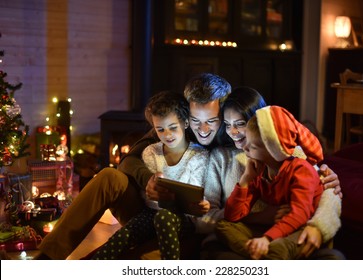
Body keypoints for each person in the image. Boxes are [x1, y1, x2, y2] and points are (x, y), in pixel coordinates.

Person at [36, 73, 340, 260]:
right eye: (196, 121)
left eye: (213, 120)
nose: (204, 130)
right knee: (109, 177)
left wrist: (325, 175)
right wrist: (147, 180)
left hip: (193, 225)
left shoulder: (240, 135)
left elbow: (295, 157)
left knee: (142, 259)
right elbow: (131, 157)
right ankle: (48, 259)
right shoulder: (179, 124)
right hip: (149, 208)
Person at [201, 87, 342, 260]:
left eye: (240, 124)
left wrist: (318, 228)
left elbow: (324, 198)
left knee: (332, 258)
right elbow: (222, 216)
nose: (233, 132)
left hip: (293, 228)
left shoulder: (293, 157)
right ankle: (264, 256)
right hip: (254, 231)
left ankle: (266, 256)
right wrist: (257, 210)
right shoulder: (247, 165)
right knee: (218, 238)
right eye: (228, 125)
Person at [91, 91, 210, 260]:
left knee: (164, 217)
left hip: (182, 219)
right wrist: (153, 189)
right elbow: (147, 196)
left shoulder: (198, 156)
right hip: (151, 213)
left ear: (185, 123)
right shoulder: (151, 152)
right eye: (160, 130)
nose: (167, 135)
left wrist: (199, 204)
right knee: (120, 238)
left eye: (172, 128)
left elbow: (197, 192)